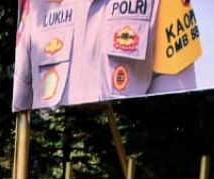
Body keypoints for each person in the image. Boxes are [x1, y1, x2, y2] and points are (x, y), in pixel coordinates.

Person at [12, 0, 201, 111]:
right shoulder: (34, 4)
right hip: (48, 172)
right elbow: (21, 103)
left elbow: (176, 108)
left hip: (126, 171)